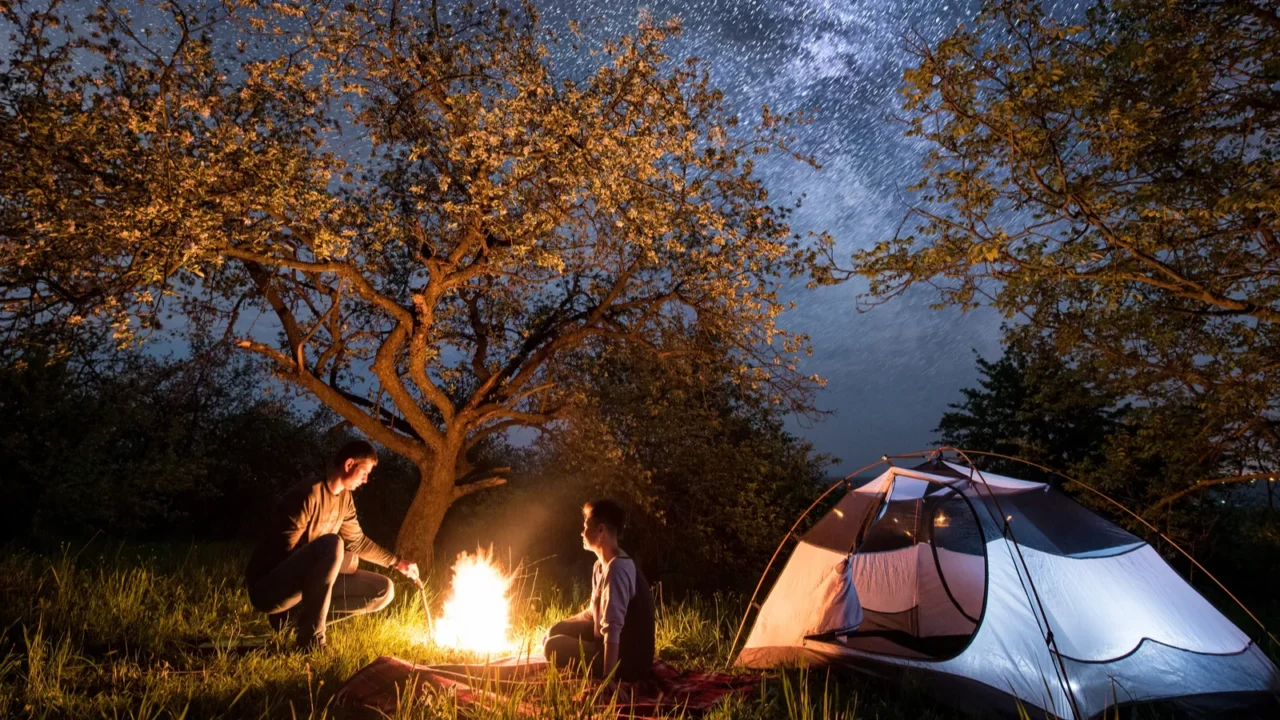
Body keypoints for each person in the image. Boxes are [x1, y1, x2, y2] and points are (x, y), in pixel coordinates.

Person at [245, 439, 419, 650]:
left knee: (383, 590)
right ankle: (311, 641)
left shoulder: (344, 499)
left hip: (302, 588)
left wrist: (398, 563)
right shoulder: (307, 495)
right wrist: (337, 560)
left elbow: (358, 541)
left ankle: (294, 621)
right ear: (349, 465)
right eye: (364, 473)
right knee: (332, 544)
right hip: (270, 589)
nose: (366, 480)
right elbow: (281, 556)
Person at [543, 499, 655, 683]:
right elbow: (592, 613)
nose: (581, 532)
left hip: (626, 660)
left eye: (586, 526)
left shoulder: (617, 569)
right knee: (553, 632)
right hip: (603, 641)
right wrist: (558, 626)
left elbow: (613, 627)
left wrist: (607, 678)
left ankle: (609, 673)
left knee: (552, 646)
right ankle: (575, 647)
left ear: (601, 531)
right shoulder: (600, 566)